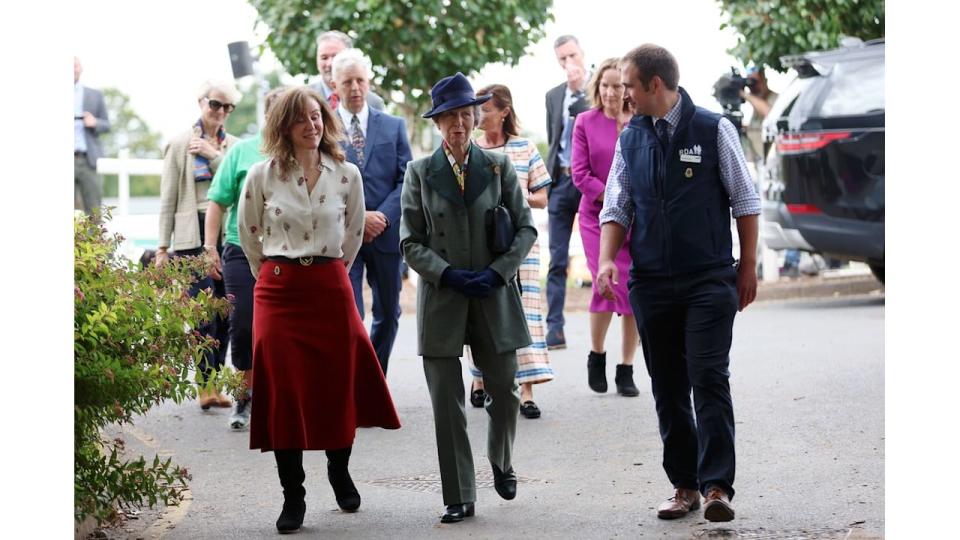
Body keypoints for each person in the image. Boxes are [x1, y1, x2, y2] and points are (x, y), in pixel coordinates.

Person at [596, 44, 760, 523]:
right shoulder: (631, 139)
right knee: (668, 386)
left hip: (708, 278)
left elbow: (745, 200)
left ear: (654, 85)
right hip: (651, 283)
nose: (622, 94)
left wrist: (746, 265)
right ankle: (684, 485)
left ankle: (716, 488)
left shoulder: (713, 129)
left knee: (708, 377)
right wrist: (607, 260)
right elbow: (616, 206)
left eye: (628, 85)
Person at [237, 86, 401, 534]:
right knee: (284, 393)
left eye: (316, 117)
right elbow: (250, 235)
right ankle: (293, 494)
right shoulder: (260, 175)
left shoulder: (346, 174)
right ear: (283, 127)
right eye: (301, 120)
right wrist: (277, 274)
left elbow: (351, 235)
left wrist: (327, 272)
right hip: (278, 290)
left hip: (330, 286)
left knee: (336, 382)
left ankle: (339, 468)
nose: (312, 126)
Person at [399, 73, 537, 524]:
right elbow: (410, 241)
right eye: (449, 116)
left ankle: (501, 458)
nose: (458, 123)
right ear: (437, 123)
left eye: (465, 114)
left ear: (476, 118)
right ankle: (458, 493)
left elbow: (525, 228)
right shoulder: (419, 172)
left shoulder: (498, 167)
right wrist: (448, 274)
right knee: (446, 401)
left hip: (493, 294)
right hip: (443, 298)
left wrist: (499, 273)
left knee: (505, 390)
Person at [204, 86, 288, 430]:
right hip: (241, 249)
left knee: (282, 328)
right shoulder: (241, 152)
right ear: (269, 117)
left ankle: (280, 398)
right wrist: (210, 248)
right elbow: (217, 201)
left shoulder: (300, 152)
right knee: (243, 324)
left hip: (286, 252)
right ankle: (244, 396)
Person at [469, 83, 554, 419]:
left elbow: (542, 198)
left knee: (525, 314)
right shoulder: (471, 147)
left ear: (504, 112)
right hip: (481, 244)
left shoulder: (524, 148)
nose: (479, 116)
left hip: (521, 243)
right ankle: (480, 381)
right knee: (482, 314)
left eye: (485, 109)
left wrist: (514, 193)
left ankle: (527, 391)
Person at [156, 80, 241, 410]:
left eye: (227, 107)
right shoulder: (178, 144)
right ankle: (204, 384)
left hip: (226, 235)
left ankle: (215, 383)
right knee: (205, 313)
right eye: (215, 104)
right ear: (201, 102)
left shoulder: (232, 146)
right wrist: (163, 248)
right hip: (192, 238)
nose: (220, 112)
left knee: (227, 313)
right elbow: (167, 198)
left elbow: (236, 184)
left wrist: (213, 155)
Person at [331, 48, 413, 375]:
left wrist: (384, 216)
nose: (354, 87)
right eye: (347, 81)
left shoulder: (394, 126)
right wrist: (359, 218)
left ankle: (374, 378)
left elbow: (406, 176)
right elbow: (323, 180)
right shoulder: (324, 129)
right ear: (335, 85)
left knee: (389, 312)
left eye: (360, 80)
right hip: (342, 235)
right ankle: (352, 379)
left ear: (369, 83)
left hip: (387, 232)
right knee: (350, 313)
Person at [570, 58, 640, 397]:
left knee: (635, 290)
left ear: (627, 88)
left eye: (618, 85)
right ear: (597, 87)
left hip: (636, 219)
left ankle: (626, 368)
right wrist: (613, 197)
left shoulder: (638, 122)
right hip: (596, 217)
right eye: (605, 85)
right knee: (605, 283)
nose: (611, 92)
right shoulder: (584, 121)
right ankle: (597, 354)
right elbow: (579, 174)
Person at [544, 34, 591, 350]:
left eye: (572, 55)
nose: (568, 63)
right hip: (561, 181)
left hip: (590, 182)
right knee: (557, 258)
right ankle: (555, 328)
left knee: (606, 253)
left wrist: (580, 92)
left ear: (582, 52)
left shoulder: (600, 87)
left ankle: (633, 318)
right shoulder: (552, 96)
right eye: (562, 59)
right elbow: (554, 138)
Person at [312, 30, 385, 111]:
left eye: (336, 57)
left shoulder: (373, 103)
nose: (330, 63)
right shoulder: (303, 98)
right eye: (324, 58)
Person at [74, 56, 111, 215]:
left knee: (94, 210)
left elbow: (107, 125)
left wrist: (94, 122)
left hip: (88, 160)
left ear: (81, 69)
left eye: (74, 65)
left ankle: (95, 241)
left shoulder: (95, 95)